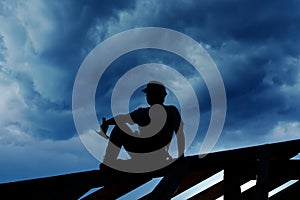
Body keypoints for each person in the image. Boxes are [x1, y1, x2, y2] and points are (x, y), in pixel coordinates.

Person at [99, 81, 185, 172]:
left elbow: (179, 133)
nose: (147, 97)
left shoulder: (169, 111)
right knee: (120, 129)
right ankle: (110, 163)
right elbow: (122, 118)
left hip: (154, 157)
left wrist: (181, 157)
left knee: (119, 129)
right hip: (145, 154)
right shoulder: (146, 112)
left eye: (149, 94)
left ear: (157, 95)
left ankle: (109, 162)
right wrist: (107, 123)